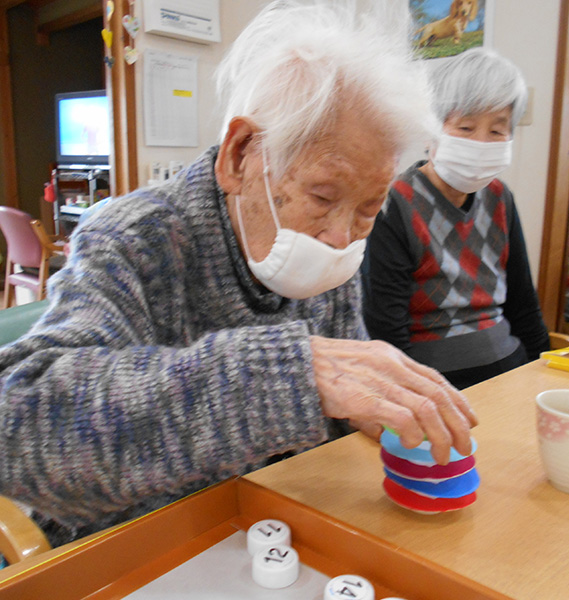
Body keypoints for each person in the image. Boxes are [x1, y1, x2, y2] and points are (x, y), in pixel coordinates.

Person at [0, 0, 477, 546]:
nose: (342, 237)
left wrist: (376, 406)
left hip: (280, 524)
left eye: (370, 207)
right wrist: (285, 376)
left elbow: (339, 412)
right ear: (240, 156)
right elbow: (19, 430)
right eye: (323, 196)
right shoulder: (136, 240)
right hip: (145, 547)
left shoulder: (336, 250)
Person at [362, 47, 549, 391]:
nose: (481, 142)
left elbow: (524, 302)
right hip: (436, 383)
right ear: (433, 129)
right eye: (465, 127)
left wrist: (543, 377)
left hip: (510, 369)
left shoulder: (500, 197)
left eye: (496, 131)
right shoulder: (395, 204)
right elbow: (385, 329)